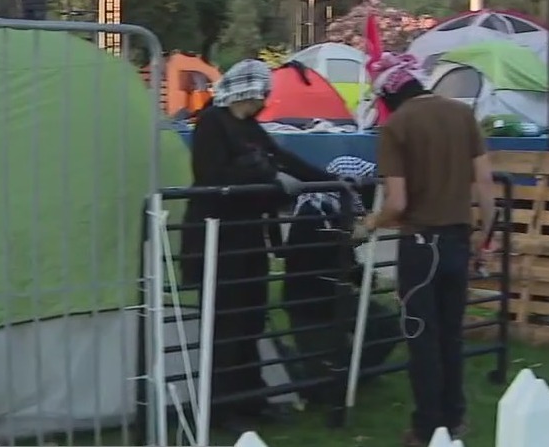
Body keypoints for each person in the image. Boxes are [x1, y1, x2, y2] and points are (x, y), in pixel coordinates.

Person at [179, 59, 336, 432]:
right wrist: (267, 176)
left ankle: (251, 397)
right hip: (219, 236)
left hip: (248, 234)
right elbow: (212, 176)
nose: (264, 100)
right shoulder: (212, 123)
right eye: (261, 92)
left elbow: (282, 158)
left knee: (251, 318)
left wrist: (330, 179)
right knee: (227, 323)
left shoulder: (249, 127)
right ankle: (220, 407)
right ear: (246, 91)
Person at [360, 53, 497, 446]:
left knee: (422, 338)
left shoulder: (396, 126)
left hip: (420, 246)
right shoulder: (462, 114)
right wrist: (485, 238)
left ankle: (427, 428)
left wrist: (370, 223)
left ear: (389, 97)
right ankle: (454, 419)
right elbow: (485, 184)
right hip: (457, 240)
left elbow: (397, 202)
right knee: (451, 336)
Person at [282, 156, 399, 401]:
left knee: (387, 326)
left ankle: (355, 374)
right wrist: (346, 239)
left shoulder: (334, 212)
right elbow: (315, 257)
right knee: (321, 385)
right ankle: (294, 365)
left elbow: (344, 261)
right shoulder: (313, 211)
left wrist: (367, 277)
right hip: (311, 305)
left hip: (336, 296)